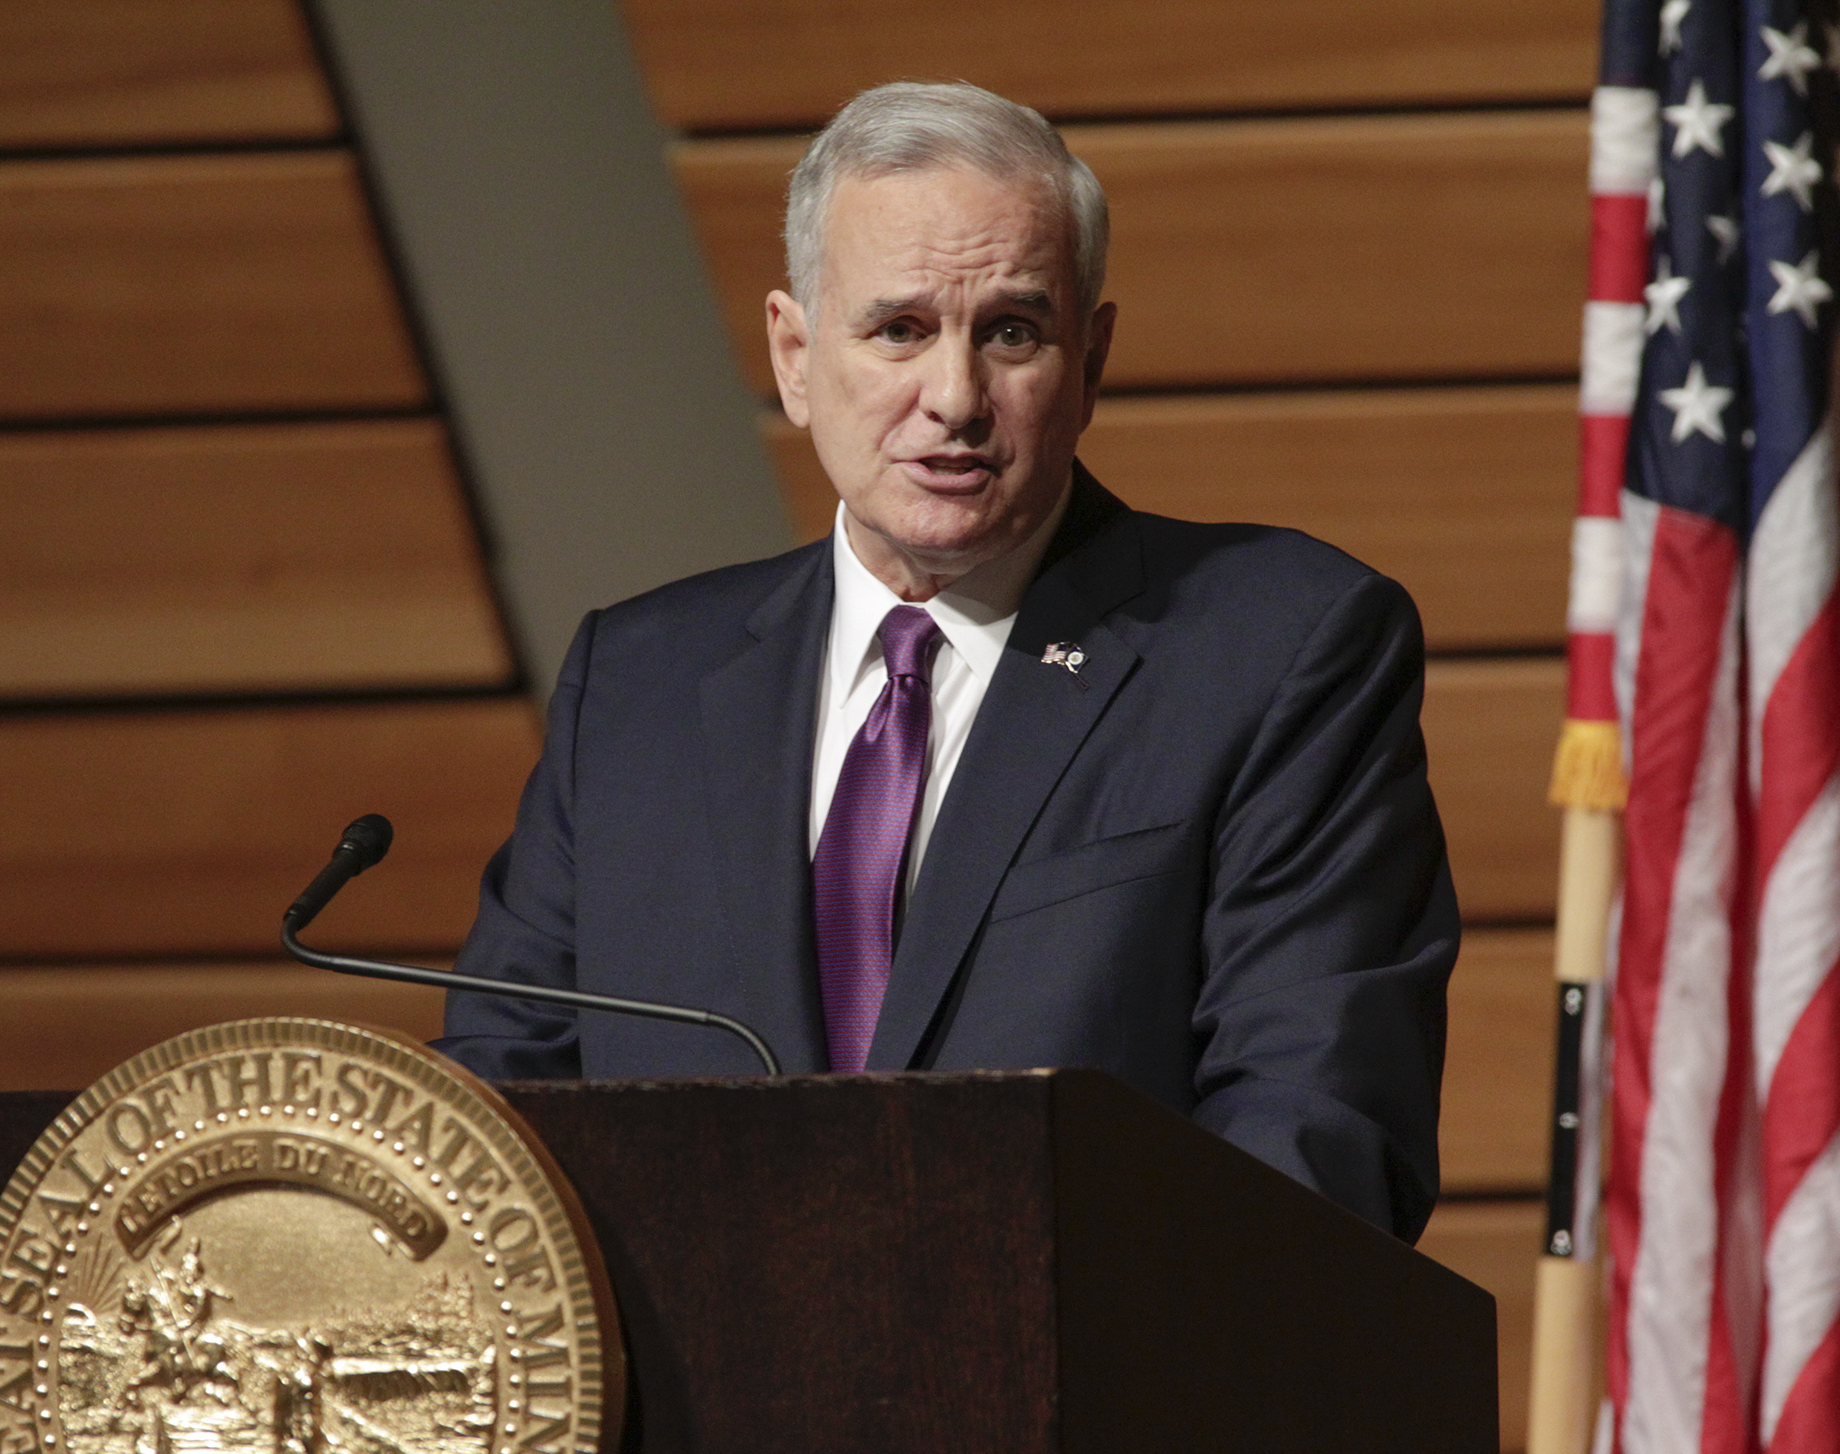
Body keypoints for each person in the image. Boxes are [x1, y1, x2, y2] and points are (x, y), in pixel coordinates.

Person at [433, 81, 1456, 1243]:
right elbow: (491, 1125)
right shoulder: (637, 683)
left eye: (1012, 331)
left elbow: (1316, 1139)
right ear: (796, 354)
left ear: (1093, 359)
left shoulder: (1275, 649)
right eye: (899, 329)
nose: (956, 398)